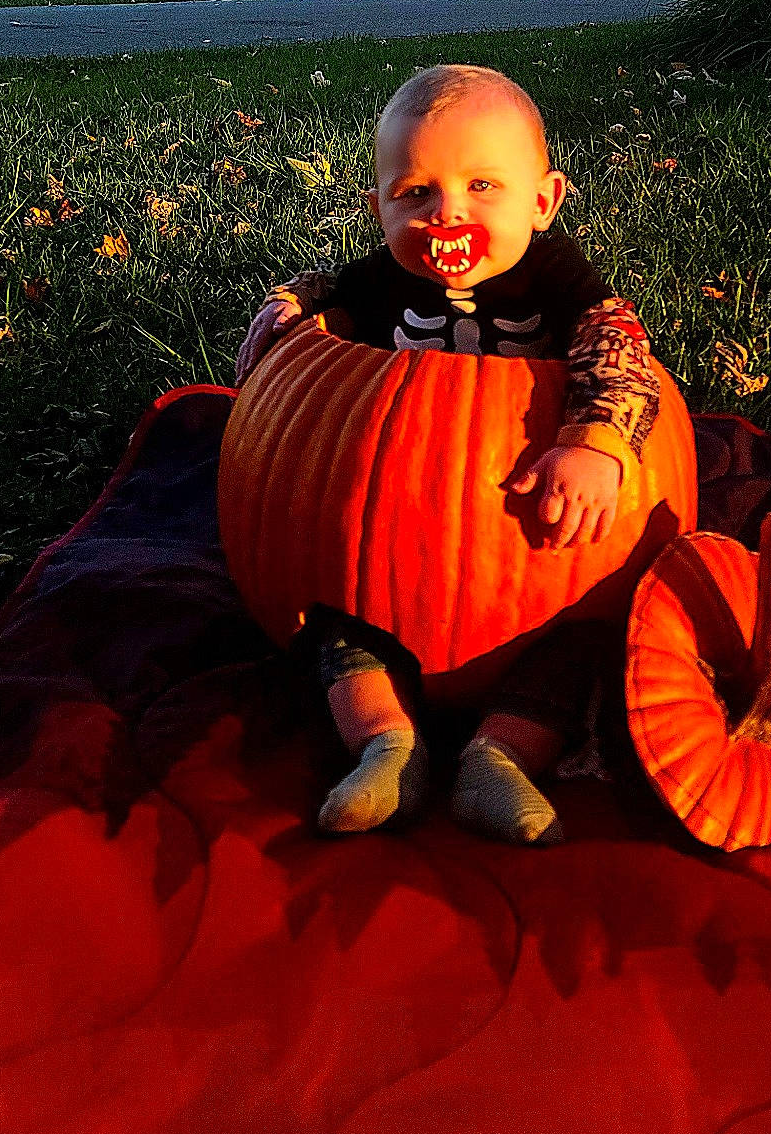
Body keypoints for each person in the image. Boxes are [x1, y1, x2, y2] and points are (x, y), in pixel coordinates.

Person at [235, 64, 660, 846]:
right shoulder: (382, 279)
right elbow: (324, 290)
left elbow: (616, 341)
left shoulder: (557, 279)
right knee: (333, 629)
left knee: (582, 641)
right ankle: (384, 745)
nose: (447, 214)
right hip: (390, 530)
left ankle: (501, 758)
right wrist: (285, 309)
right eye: (415, 195)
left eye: (481, 188)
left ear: (542, 202)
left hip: (530, 540)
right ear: (378, 210)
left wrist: (596, 436)